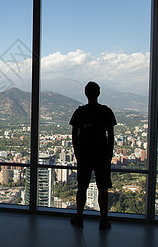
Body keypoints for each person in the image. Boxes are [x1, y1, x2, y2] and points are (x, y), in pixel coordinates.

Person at [69, 81, 117, 230]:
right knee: (103, 188)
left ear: (85, 93)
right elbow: (111, 136)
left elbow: (74, 136)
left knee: (82, 187)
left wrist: (78, 153)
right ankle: (103, 220)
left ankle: (79, 218)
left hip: (84, 155)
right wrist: (108, 154)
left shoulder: (80, 112)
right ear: (98, 93)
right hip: (102, 154)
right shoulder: (106, 111)